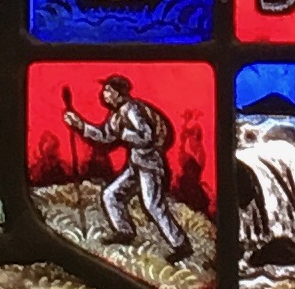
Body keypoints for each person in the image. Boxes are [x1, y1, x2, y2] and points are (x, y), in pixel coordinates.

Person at [58, 71, 194, 257]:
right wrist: (80, 125)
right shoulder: (116, 116)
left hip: (150, 165)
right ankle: (125, 231)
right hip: (136, 165)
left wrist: (124, 134)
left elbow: (146, 136)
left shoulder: (132, 109)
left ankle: (181, 245)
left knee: (152, 205)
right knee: (111, 195)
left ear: (118, 93)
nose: (104, 94)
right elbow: (105, 136)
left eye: (108, 90)